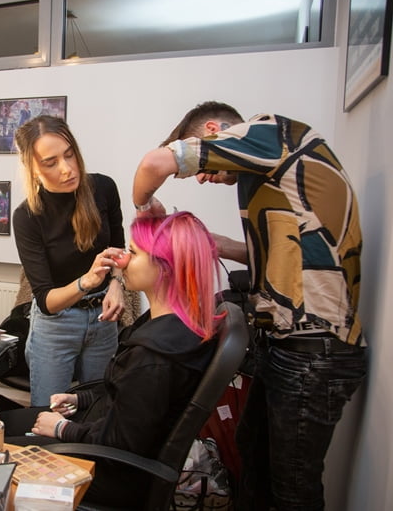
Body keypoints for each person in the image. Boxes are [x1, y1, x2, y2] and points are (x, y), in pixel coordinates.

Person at [132, 101, 366, 511]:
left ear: (212, 131)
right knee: (252, 456)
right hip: (295, 345)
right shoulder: (273, 169)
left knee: (293, 490)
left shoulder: (269, 132)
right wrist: (222, 246)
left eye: (201, 166)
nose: (201, 177)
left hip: (314, 349)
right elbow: (295, 255)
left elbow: (154, 164)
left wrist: (143, 205)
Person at [2, 212, 221, 507]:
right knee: (6, 421)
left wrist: (61, 428)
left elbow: (119, 445)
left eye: (134, 252)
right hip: (102, 431)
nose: (122, 260)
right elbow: (126, 393)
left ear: (165, 267)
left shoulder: (155, 357)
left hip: (107, 471)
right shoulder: (168, 325)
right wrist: (80, 399)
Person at [12, 115, 127, 406]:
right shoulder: (27, 217)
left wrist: (116, 285)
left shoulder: (104, 188)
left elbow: (118, 249)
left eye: (69, 154)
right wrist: (86, 281)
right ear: (33, 169)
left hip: (103, 319)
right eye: (51, 163)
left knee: (99, 408)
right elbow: (46, 301)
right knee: (50, 412)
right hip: (56, 326)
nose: (66, 169)